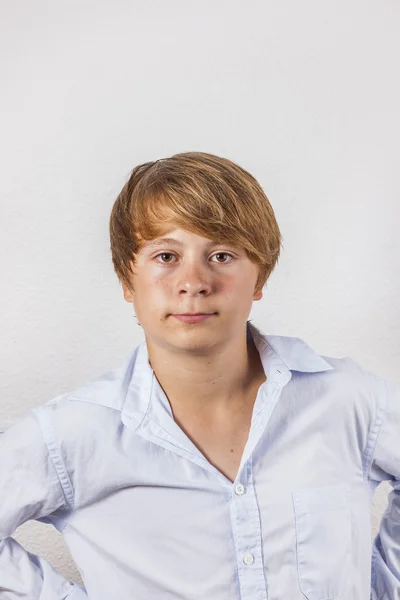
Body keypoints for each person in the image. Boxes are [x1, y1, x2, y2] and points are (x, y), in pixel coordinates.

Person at [0, 151, 398, 600]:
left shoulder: (347, 399)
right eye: (166, 255)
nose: (194, 281)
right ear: (127, 280)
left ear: (259, 277)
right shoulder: (73, 434)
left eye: (222, 255)